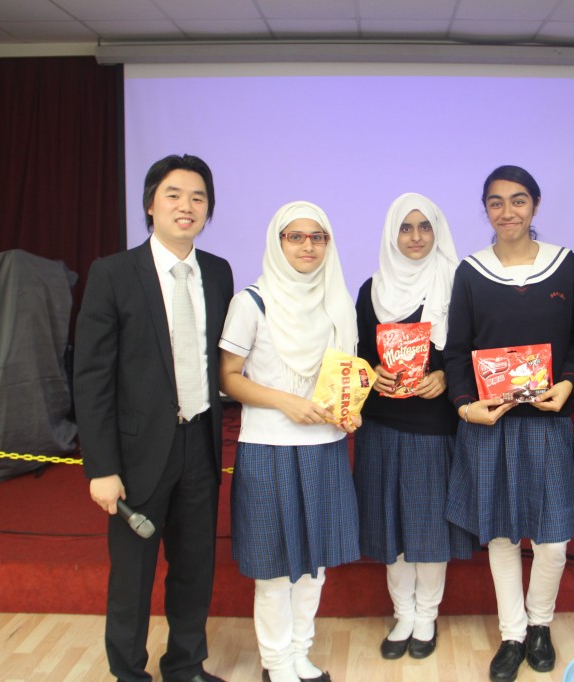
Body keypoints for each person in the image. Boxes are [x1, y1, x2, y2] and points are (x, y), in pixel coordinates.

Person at [74, 154, 233, 682]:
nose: (186, 206)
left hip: (201, 445)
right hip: (137, 453)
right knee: (133, 577)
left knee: (194, 568)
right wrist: (101, 467)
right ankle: (129, 673)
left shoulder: (218, 272)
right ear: (150, 205)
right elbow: (91, 378)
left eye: (198, 197)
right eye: (174, 195)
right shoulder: (114, 273)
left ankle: (185, 666)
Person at [443, 165, 574, 682]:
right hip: (491, 426)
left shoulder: (565, 266)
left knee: (552, 539)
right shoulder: (470, 271)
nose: (508, 212)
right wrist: (466, 405)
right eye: (496, 202)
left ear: (536, 205)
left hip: (547, 422)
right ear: (485, 209)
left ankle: (541, 624)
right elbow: (456, 352)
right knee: (501, 536)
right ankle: (513, 633)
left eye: (518, 200)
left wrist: (568, 383)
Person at [218, 201, 360, 682]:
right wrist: (286, 402)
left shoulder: (336, 301)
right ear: (277, 242)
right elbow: (228, 378)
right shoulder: (251, 302)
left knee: (315, 564)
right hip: (268, 448)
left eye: (317, 237)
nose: (307, 246)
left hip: (324, 446)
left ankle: (300, 652)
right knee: (275, 568)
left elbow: (344, 377)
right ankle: (276, 663)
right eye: (295, 236)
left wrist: (351, 408)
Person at [353, 192, 475, 661]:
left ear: (437, 232)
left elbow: (469, 348)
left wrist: (445, 376)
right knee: (391, 527)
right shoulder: (371, 289)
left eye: (425, 227)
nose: (416, 237)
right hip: (382, 424)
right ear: (392, 234)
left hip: (433, 424)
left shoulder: (455, 283)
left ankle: (427, 615)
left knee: (428, 528)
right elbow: (360, 352)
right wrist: (371, 371)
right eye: (406, 227)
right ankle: (402, 613)